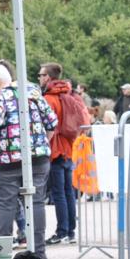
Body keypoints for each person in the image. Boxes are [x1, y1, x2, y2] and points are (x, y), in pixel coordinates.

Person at [0, 63, 58, 259]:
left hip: (7, 161)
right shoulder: (33, 92)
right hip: (38, 158)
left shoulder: (2, 96)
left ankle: (3, 254)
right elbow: (52, 122)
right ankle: (39, 253)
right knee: (37, 203)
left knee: (6, 204)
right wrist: (40, 143)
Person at [40, 62, 82, 245]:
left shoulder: (50, 98)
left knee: (58, 193)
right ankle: (70, 231)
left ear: (48, 77)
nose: (39, 78)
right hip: (68, 148)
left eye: (41, 75)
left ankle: (62, 231)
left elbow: (47, 124)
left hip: (55, 149)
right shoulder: (68, 94)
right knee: (68, 192)